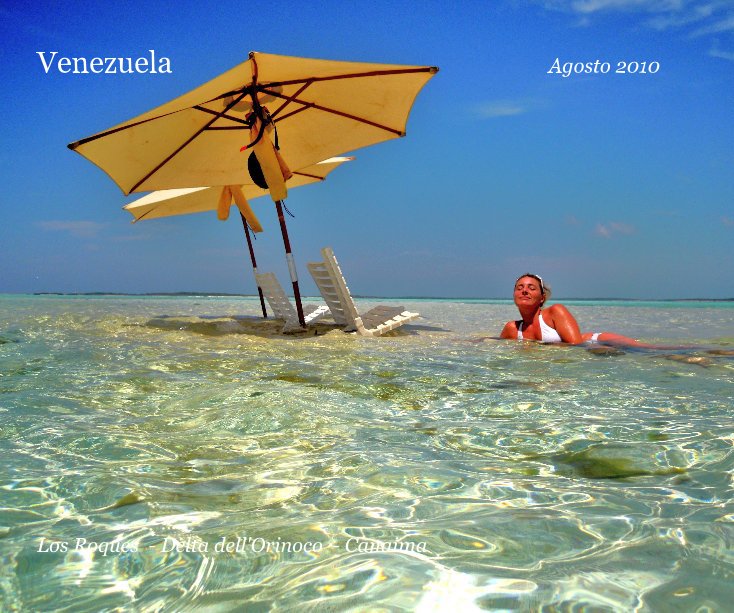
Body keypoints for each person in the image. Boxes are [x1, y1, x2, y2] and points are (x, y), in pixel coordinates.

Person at [500, 273, 648, 346]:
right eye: (519, 288)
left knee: (653, 351)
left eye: (531, 288)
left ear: (542, 298)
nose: (524, 291)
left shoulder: (555, 312)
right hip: (592, 352)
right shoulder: (512, 328)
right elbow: (496, 344)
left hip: (598, 343)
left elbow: (577, 346)